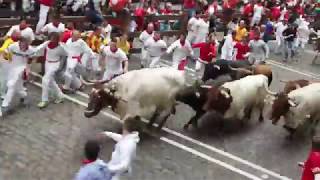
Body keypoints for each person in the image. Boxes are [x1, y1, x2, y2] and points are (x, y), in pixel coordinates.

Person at [0, 37, 37, 116]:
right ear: (19, 43)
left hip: (22, 68)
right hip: (12, 67)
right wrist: (5, 59)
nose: (23, 46)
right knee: (18, 88)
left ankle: (5, 104)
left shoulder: (31, 50)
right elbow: (5, 53)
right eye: (22, 44)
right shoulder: (13, 46)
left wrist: (27, 71)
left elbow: (31, 60)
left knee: (11, 85)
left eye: (25, 44)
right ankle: (24, 95)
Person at [36, 32, 67, 109]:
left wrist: (61, 66)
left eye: (54, 39)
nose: (52, 40)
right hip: (47, 63)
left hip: (55, 64)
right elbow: (37, 48)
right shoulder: (46, 43)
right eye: (51, 38)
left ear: (57, 40)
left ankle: (44, 100)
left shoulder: (61, 47)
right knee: (51, 81)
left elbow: (66, 55)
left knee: (45, 80)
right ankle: (61, 96)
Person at [0, 31, 21, 99]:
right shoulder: (9, 41)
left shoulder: (18, 42)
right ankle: (2, 93)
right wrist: (6, 53)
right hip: (6, 61)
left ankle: (7, 91)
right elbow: (2, 49)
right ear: (13, 36)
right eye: (18, 35)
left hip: (12, 62)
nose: (19, 36)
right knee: (4, 78)